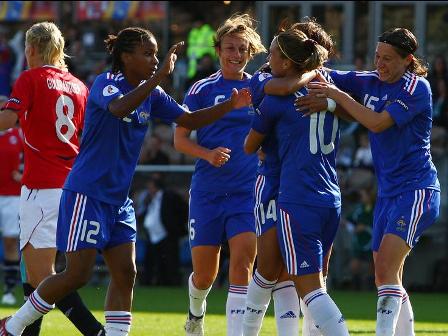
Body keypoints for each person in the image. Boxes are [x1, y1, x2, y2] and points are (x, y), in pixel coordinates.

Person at [0, 26, 251, 336]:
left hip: (119, 200)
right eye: (148, 54)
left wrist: (230, 106)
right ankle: (13, 326)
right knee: (75, 275)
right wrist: (158, 77)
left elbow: (187, 119)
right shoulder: (107, 83)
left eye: (156, 54)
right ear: (126, 56)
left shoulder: (153, 93)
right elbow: (119, 108)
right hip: (87, 193)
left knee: (126, 272)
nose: (155, 60)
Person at [305, 27, 440, 336]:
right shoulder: (369, 81)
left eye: (388, 59)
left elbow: (377, 123)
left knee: (385, 271)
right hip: (388, 194)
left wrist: (336, 97)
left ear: (408, 60)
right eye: (378, 57)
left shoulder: (417, 88)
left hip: (417, 190)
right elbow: (320, 74)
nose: (380, 64)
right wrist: (297, 55)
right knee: (386, 278)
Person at [0, 22, 105, 336]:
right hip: (73, 186)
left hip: (42, 187)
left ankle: (94, 331)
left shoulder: (31, 78)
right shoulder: (78, 85)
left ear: (31, 49)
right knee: (35, 272)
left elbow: (8, 119)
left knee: (43, 275)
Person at [244, 26, 350, 336]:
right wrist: (325, 91)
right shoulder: (317, 85)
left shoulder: (320, 89)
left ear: (289, 60)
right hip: (301, 187)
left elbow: (250, 146)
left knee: (306, 278)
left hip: (294, 188)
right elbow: (284, 87)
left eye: (275, 51)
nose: (268, 56)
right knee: (270, 269)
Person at [174, 14, 265, 336]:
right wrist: (207, 154)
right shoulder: (202, 88)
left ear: (250, 53)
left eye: (242, 49)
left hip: (246, 193)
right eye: (230, 48)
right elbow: (180, 139)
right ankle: (195, 314)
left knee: (242, 265)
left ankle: (235, 332)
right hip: (207, 193)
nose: (236, 54)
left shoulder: (259, 88)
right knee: (204, 276)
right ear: (218, 50)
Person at [140, 174, 188, 286]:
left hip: (168, 234)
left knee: (170, 261)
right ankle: (152, 282)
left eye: (151, 187)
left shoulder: (169, 196)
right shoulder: (149, 199)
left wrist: (177, 226)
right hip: (152, 236)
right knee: (153, 262)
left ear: (156, 187)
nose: (149, 189)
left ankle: (171, 283)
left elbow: (184, 209)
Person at [0, 95, 21, 306]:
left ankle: (9, 289)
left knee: (10, 241)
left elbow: (34, 159)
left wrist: (23, 177)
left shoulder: (19, 136)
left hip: (11, 196)